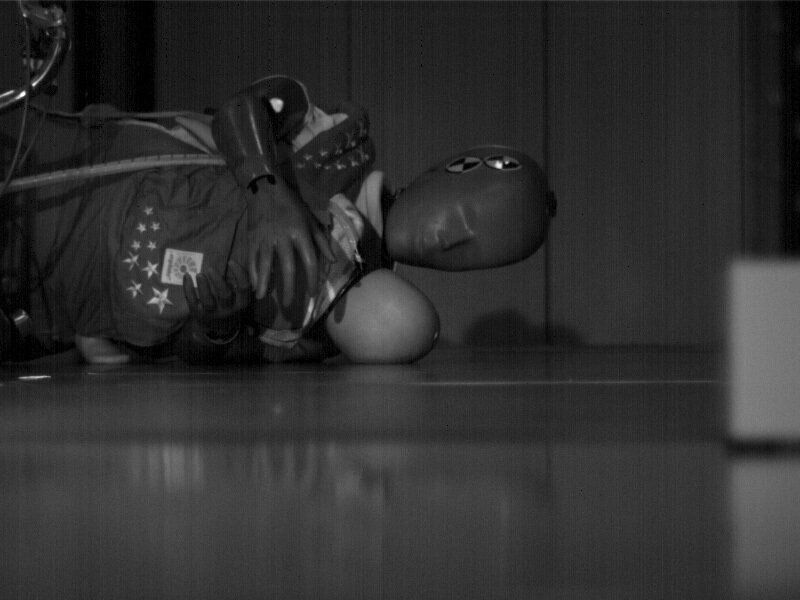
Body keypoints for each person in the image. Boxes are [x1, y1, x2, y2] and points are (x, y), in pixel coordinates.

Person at [0, 76, 553, 365]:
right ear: (444, 172)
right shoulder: (334, 138)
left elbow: (221, 357)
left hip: (62, 294)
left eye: (472, 253)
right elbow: (243, 108)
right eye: (461, 213)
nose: (450, 237)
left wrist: (216, 328)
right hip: (72, 169)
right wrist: (268, 190)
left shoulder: (337, 319)